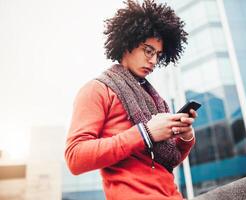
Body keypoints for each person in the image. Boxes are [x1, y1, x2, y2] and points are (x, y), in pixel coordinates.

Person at [65, 0, 198, 199]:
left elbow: (166, 160)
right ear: (128, 43)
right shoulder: (96, 89)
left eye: (159, 55)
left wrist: (185, 136)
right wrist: (145, 133)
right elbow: (75, 158)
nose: (153, 61)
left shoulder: (157, 100)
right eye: (148, 50)